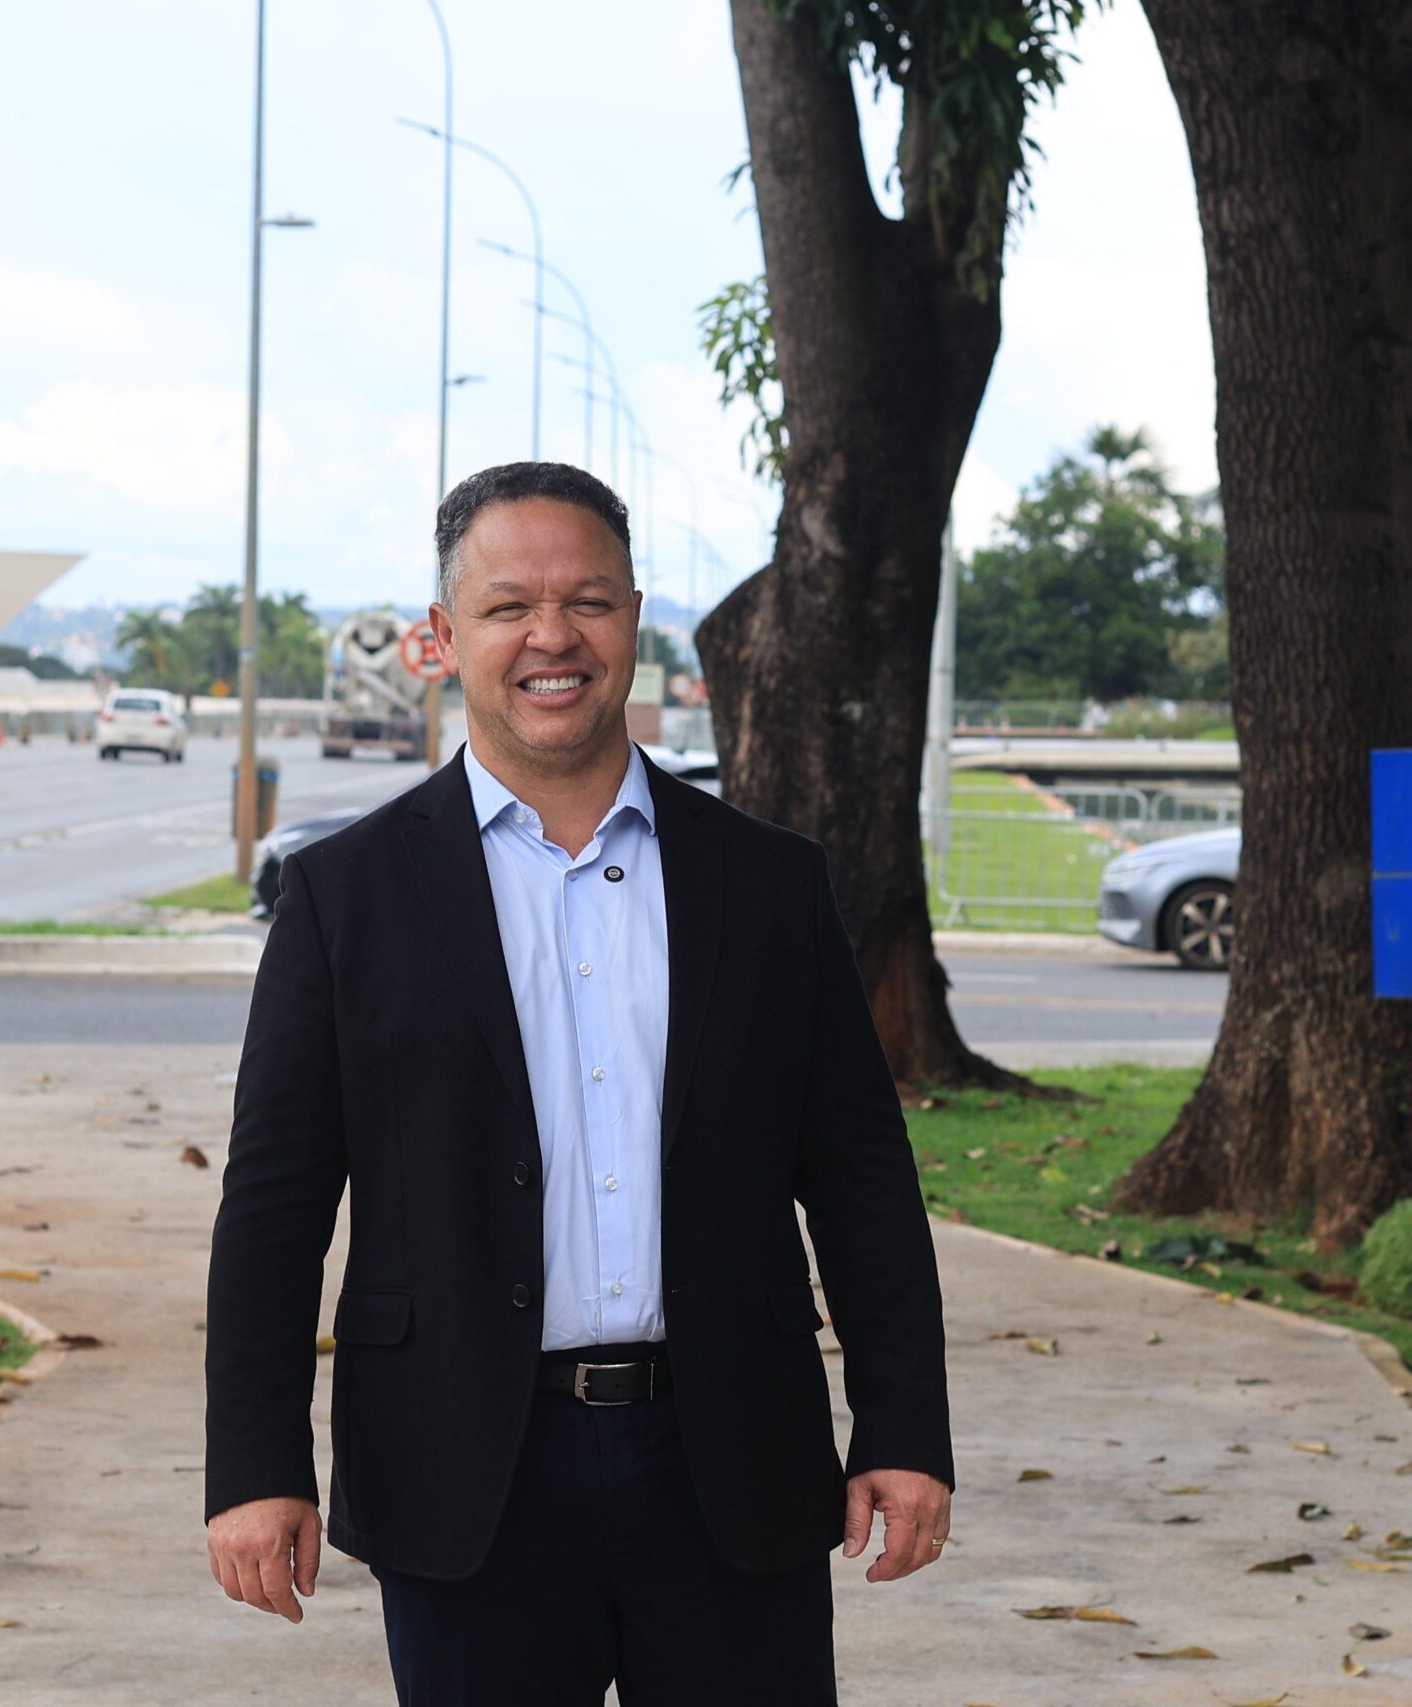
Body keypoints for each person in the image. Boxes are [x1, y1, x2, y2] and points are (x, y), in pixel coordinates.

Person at [202, 461, 954, 1704]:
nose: (551, 636)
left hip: (729, 1460)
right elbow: (274, 1206)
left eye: (588, 602)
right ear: (443, 639)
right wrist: (253, 1463)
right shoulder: (349, 898)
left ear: (635, 620)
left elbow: (862, 1177)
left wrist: (904, 1430)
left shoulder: (767, 885)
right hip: (464, 1472)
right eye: (508, 607)